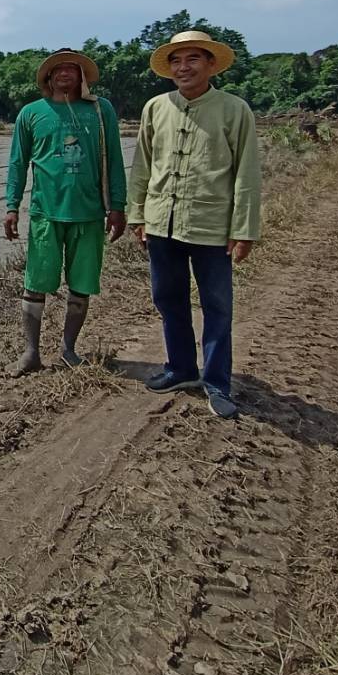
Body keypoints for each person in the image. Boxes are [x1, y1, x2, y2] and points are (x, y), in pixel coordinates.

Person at [127, 29, 261, 419]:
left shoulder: (235, 110)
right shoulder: (156, 108)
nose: (183, 67)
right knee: (168, 298)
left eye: (192, 59)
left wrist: (244, 229)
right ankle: (181, 368)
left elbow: (246, 174)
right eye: (176, 61)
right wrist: (138, 214)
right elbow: (143, 167)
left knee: (217, 305)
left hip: (211, 224)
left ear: (210, 64)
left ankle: (217, 382)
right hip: (161, 223)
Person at [4, 48, 127, 375]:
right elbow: (18, 163)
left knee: (81, 284)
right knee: (36, 282)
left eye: (72, 69)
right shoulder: (31, 114)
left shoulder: (101, 111)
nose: (64, 74)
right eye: (57, 70)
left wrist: (118, 206)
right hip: (46, 213)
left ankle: (69, 349)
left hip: (89, 213)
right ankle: (31, 352)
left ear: (82, 76)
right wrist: (11, 206)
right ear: (47, 78)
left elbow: (114, 159)